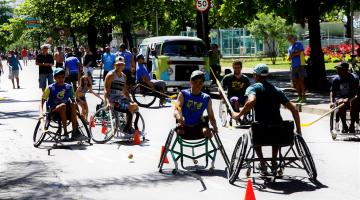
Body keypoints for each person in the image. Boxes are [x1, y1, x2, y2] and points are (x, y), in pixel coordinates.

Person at [231, 64, 301, 174]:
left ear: (255, 75)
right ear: (267, 75)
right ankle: (274, 162)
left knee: (254, 131)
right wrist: (299, 131)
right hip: (279, 131)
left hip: (261, 130)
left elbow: (251, 101)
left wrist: (238, 115)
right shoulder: (277, 90)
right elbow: (294, 110)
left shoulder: (253, 88)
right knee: (275, 130)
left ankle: (263, 163)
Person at [40, 68, 88, 141]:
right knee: (63, 105)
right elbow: (42, 101)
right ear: (55, 78)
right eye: (59, 77)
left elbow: (73, 100)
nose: (61, 79)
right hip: (54, 112)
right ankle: (65, 133)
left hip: (66, 111)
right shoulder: (50, 88)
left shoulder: (69, 87)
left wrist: (79, 110)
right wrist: (41, 112)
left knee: (73, 104)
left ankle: (75, 132)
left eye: (63, 77)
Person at [174, 70, 218, 139]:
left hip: (199, 126)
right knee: (180, 130)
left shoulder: (206, 98)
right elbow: (177, 109)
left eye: (200, 83)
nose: (197, 85)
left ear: (203, 84)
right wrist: (179, 118)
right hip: (184, 125)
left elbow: (211, 116)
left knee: (208, 132)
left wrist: (215, 127)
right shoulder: (183, 94)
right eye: (195, 82)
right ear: (190, 82)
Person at [104, 56, 139, 134]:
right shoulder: (111, 75)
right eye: (118, 64)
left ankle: (130, 126)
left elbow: (125, 91)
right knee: (130, 108)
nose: (119, 66)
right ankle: (127, 129)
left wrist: (130, 100)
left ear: (124, 65)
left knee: (135, 105)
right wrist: (107, 102)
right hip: (113, 100)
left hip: (121, 99)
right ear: (114, 65)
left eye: (121, 64)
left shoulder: (124, 76)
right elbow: (106, 90)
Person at [330, 62, 359, 133]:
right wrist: (331, 101)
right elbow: (332, 92)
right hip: (340, 98)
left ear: (345, 70)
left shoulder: (354, 79)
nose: (337, 71)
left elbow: (355, 92)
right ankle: (344, 125)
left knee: (354, 102)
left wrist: (348, 99)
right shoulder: (336, 80)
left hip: (353, 97)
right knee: (340, 102)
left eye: (339, 69)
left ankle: (352, 125)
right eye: (337, 69)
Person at [287, 34, 307, 103]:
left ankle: (304, 97)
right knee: (295, 82)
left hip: (300, 65)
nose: (290, 40)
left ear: (294, 38)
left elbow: (300, 52)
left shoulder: (299, 44)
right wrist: (293, 54)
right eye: (288, 39)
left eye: (291, 38)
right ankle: (299, 96)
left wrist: (293, 54)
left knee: (301, 81)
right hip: (294, 66)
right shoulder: (289, 48)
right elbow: (289, 58)